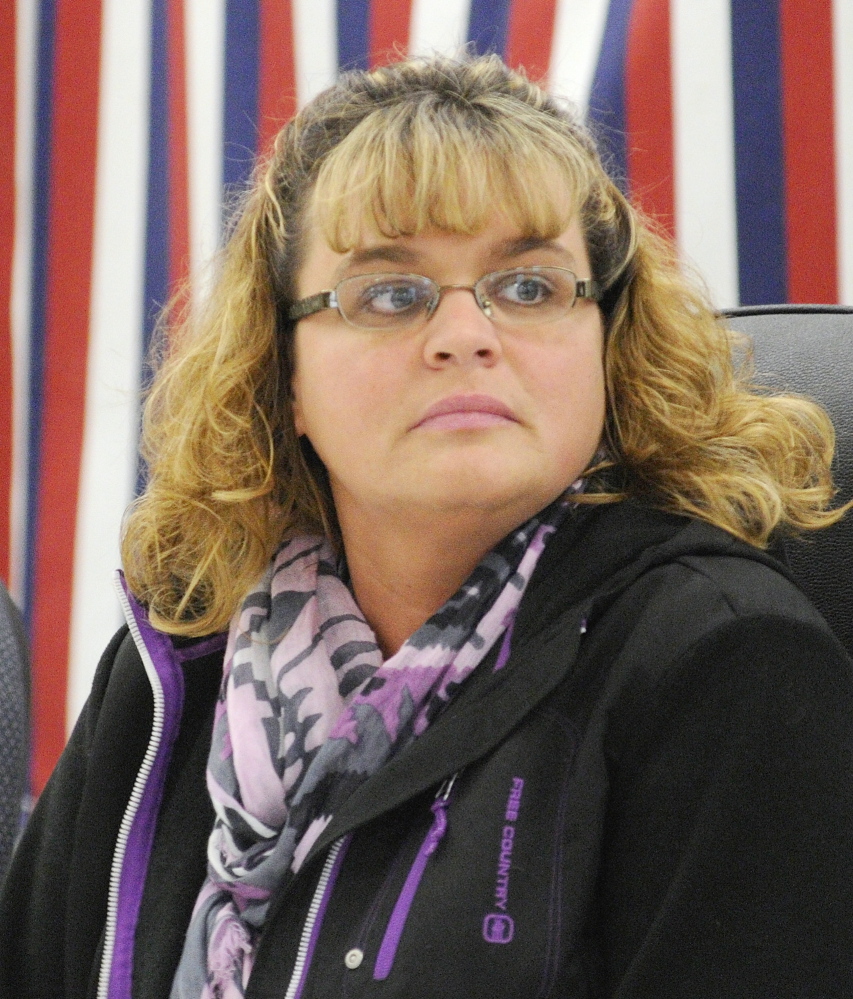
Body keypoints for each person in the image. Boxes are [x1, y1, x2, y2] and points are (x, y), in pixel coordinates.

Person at [1, 53, 852, 999]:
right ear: (283, 377)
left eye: (529, 287)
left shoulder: (724, 664)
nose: (465, 333)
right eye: (391, 294)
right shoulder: (176, 665)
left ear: (608, 348)